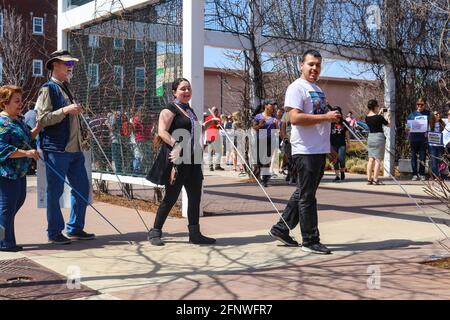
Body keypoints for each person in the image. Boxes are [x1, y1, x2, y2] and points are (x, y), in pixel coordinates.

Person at [269, 50, 341, 254]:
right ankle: (310, 240)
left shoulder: (317, 89)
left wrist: (328, 148)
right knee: (307, 196)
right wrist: (326, 117)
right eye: (310, 64)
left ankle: (281, 228)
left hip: (318, 149)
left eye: (318, 65)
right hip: (305, 150)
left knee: (303, 192)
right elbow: (295, 118)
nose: (314, 68)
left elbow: (320, 121)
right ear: (301, 65)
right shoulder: (296, 88)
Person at [147, 78, 217, 246]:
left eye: (189, 88)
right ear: (174, 92)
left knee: (195, 197)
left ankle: (195, 234)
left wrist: (208, 125)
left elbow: (193, 132)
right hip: (177, 160)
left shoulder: (190, 111)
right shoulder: (169, 110)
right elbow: (162, 131)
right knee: (171, 197)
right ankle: (155, 231)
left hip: (193, 159)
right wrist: (175, 144)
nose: (187, 91)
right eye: (182, 89)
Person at [36, 50, 95, 244]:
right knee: (56, 192)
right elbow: (42, 119)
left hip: (75, 150)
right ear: (55, 65)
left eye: (71, 63)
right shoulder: (48, 89)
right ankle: (54, 233)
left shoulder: (66, 88)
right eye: (66, 63)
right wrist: (66, 110)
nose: (71, 67)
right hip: (56, 149)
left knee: (81, 188)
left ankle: (75, 228)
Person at [0, 85, 42, 251]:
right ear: (4, 103)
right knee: (6, 208)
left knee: (17, 203)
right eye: (16, 101)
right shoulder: (2, 123)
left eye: (21, 100)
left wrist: (38, 128)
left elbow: (25, 137)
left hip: (20, 172)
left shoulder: (18, 119)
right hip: (6, 173)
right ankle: (5, 243)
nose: (21, 104)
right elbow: (2, 148)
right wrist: (27, 153)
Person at [252, 99, 279, 187]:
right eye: (271, 105)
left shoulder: (274, 118)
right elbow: (254, 127)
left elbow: (276, 131)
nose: (273, 107)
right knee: (259, 160)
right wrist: (260, 125)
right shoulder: (258, 116)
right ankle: (258, 176)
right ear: (266, 105)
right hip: (260, 140)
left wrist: (276, 125)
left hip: (270, 140)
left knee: (266, 160)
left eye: (274, 105)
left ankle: (265, 179)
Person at [365, 99, 390, 185]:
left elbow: (374, 119)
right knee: (378, 160)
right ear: (375, 107)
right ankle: (376, 179)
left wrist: (380, 113)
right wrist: (388, 117)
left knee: (371, 159)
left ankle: (369, 179)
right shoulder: (379, 117)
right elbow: (388, 124)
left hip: (371, 137)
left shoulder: (367, 117)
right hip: (379, 137)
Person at [406, 98, 430, 181]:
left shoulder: (428, 113)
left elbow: (432, 124)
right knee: (413, 157)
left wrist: (429, 132)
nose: (420, 106)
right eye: (418, 104)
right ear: (416, 105)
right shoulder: (412, 114)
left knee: (422, 158)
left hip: (423, 139)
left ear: (425, 105)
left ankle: (422, 174)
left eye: (422, 104)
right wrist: (408, 129)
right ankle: (415, 174)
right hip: (413, 139)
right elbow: (407, 128)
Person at [330, 106, 350, 182]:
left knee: (341, 159)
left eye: (338, 112)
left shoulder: (344, 123)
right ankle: (337, 176)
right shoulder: (330, 122)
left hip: (342, 144)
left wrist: (348, 142)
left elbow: (347, 133)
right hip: (333, 143)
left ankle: (342, 172)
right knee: (335, 160)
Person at [204, 107, 224, 171]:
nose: (217, 112)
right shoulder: (217, 118)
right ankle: (217, 165)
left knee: (210, 151)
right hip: (214, 133)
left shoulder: (208, 118)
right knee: (218, 151)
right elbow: (219, 126)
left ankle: (210, 165)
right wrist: (218, 123)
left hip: (209, 134)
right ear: (215, 111)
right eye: (217, 111)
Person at [428, 110, 446, 180]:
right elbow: (427, 133)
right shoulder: (430, 124)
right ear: (433, 116)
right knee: (434, 161)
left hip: (441, 145)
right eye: (436, 114)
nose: (438, 115)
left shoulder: (443, 123)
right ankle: (435, 176)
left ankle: (441, 175)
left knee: (441, 160)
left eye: (438, 113)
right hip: (432, 145)